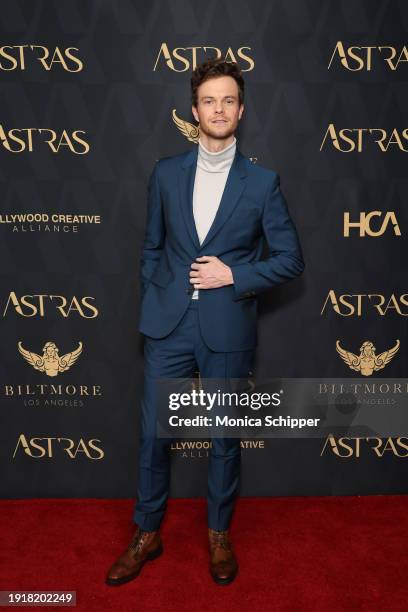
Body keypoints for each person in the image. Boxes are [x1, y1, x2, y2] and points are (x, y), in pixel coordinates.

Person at [106, 57, 304, 587]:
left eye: (229, 100)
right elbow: (151, 247)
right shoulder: (166, 173)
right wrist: (159, 294)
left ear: (241, 110)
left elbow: (290, 260)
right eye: (209, 100)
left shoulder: (263, 183)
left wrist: (232, 275)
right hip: (168, 326)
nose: (219, 109)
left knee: (223, 437)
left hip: (227, 328)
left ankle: (219, 534)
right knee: (153, 436)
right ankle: (147, 532)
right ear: (195, 111)